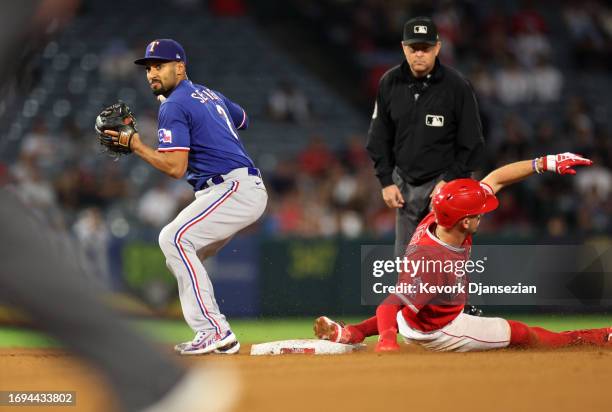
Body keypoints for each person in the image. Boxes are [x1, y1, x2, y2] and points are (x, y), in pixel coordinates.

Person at [314, 152, 612, 352]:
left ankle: (350, 334)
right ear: (466, 220)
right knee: (523, 334)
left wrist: (544, 162)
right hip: (439, 329)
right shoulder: (433, 261)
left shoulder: (439, 216)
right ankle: (597, 337)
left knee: (415, 304)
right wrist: (388, 343)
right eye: (479, 213)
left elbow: (496, 178)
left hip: (417, 312)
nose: (484, 215)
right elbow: (388, 307)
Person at [128, 39, 268, 355]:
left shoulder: (174, 104)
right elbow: (243, 118)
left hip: (232, 188)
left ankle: (214, 329)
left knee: (173, 238)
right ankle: (213, 332)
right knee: (187, 252)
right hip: (232, 188)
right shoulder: (208, 94)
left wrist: (137, 145)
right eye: (149, 67)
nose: (152, 73)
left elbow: (175, 168)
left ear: (180, 66)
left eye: (159, 65)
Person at [366, 16, 485, 258]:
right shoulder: (389, 83)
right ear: (403, 48)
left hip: (446, 189)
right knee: (407, 268)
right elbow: (378, 137)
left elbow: (472, 143)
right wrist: (386, 181)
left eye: (425, 48)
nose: (419, 54)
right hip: (405, 189)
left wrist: (451, 179)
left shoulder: (457, 86)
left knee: (445, 266)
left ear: (437, 47)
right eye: (414, 48)